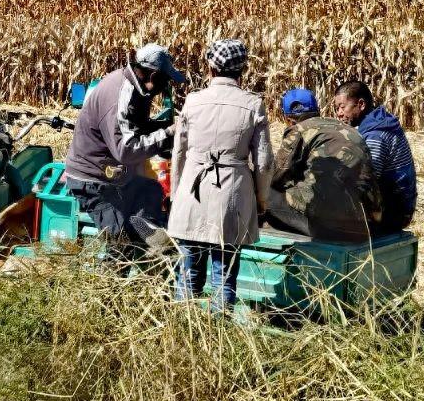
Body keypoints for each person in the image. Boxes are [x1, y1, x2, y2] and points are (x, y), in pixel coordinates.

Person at [167, 39, 273, 312]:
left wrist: (177, 195)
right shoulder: (253, 104)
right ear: (243, 71)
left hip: (193, 191)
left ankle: (182, 335)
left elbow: (179, 152)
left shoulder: (193, 101)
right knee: (224, 278)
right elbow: (263, 162)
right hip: (231, 196)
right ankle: (219, 342)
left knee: (187, 275)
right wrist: (262, 201)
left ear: (211, 67)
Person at [62, 43, 187, 255]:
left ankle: (143, 230)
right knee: (120, 243)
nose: (165, 87)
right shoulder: (122, 95)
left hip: (115, 175)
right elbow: (126, 150)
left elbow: (134, 129)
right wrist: (168, 134)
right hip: (94, 180)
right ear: (154, 76)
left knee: (151, 191)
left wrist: (165, 128)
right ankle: (112, 281)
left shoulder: (138, 89)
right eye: (165, 81)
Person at [265, 88, 381, 242]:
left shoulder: (298, 130)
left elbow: (274, 176)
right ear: (317, 110)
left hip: (330, 223)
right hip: (367, 222)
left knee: (264, 194)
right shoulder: (347, 128)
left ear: (287, 118)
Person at [332, 80, 417, 234]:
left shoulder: (375, 136)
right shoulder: (378, 123)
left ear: (361, 104)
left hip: (395, 213)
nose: (339, 113)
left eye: (342, 107)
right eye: (337, 108)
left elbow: (367, 180)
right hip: (398, 205)